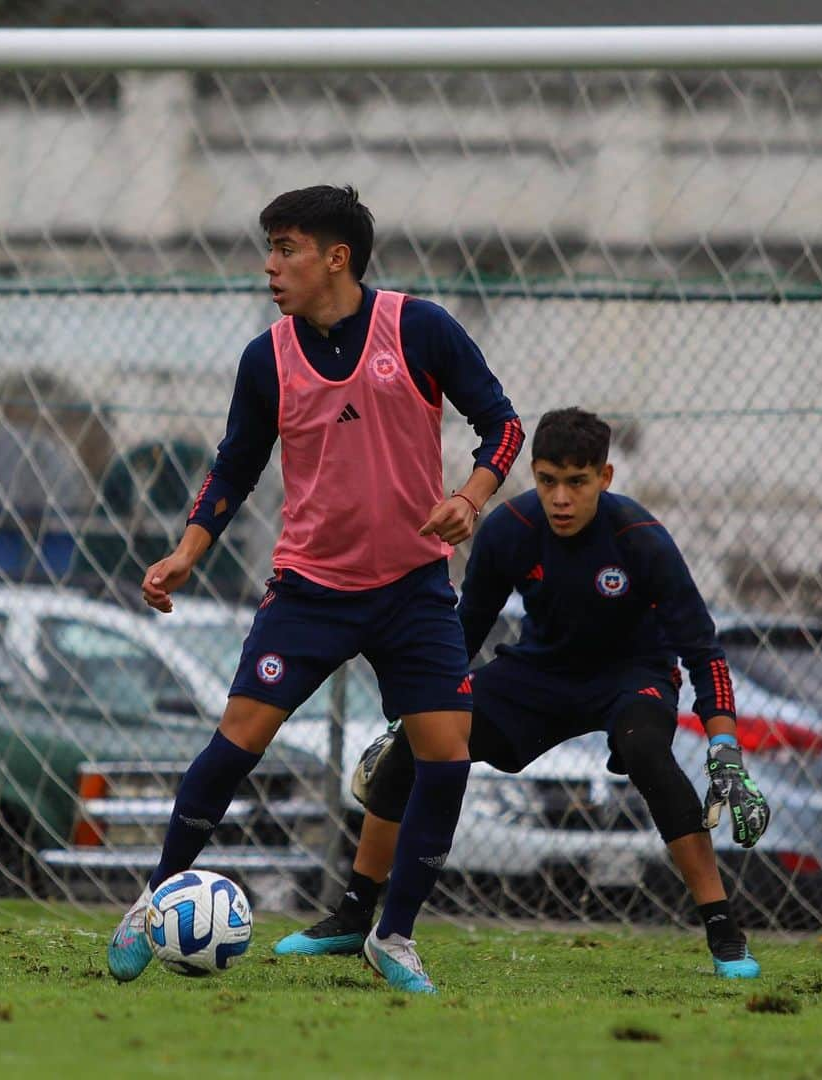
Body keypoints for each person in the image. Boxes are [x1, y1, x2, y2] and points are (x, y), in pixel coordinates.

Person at [107, 185, 524, 994]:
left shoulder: (420, 327)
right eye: (269, 247)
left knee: (447, 754)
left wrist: (469, 499)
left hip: (411, 588)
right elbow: (235, 464)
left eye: (286, 248)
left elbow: (502, 425)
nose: (270, 265)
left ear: (336, 258)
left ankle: (393, 936)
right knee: (235, 743)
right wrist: (187, 551)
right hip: (308, 590)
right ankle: (151, 901)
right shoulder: (267, 358)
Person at [275, 406, 771, 980]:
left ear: (604, 479)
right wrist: (411, 720)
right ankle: (352, 917)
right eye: (548, 480)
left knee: (647, 754)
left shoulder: (642, 540)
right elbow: (463, 633)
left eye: (577, 482)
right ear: (533, 474)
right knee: (417, 746)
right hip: (537, 674)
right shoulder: (511, 528)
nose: (561, 497)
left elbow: (703, 651)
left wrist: (725, 752)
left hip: (631, 675)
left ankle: (724, 934)